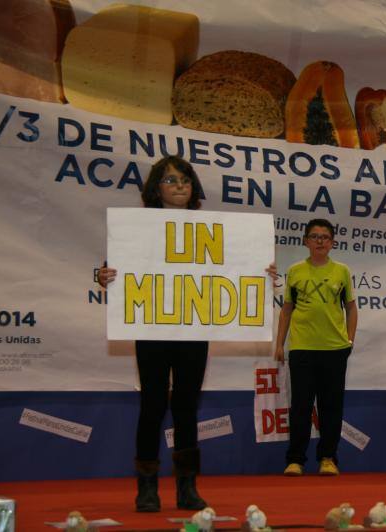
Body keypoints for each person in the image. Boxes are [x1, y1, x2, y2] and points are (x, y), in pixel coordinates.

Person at [98, 155, 277, 512]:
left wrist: (262, 274)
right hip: (151, 328)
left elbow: (236, 267)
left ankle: (186, 487)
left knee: (185, 407)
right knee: (152, 405)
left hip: (193, 328)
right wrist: (103, 275)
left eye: (185, 179)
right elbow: (121, 266)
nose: (179, 185)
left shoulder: (210, 227)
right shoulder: (139, 226)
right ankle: (146, 488)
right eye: (170, 180)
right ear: (156, 188)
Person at [274, 218, 358, 477]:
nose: (320, 241)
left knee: (331, 406)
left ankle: (328, 458)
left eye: (325, 237)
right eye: (314, 236)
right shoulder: (296, 271)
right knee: (300, 405)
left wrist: (349, 340)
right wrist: (280, 344)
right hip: (302, 349)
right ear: (305, 241)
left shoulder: (342, 271)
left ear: (332, 242)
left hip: (334, 349)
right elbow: (286, 310)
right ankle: (295, 460)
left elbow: (351, 308)